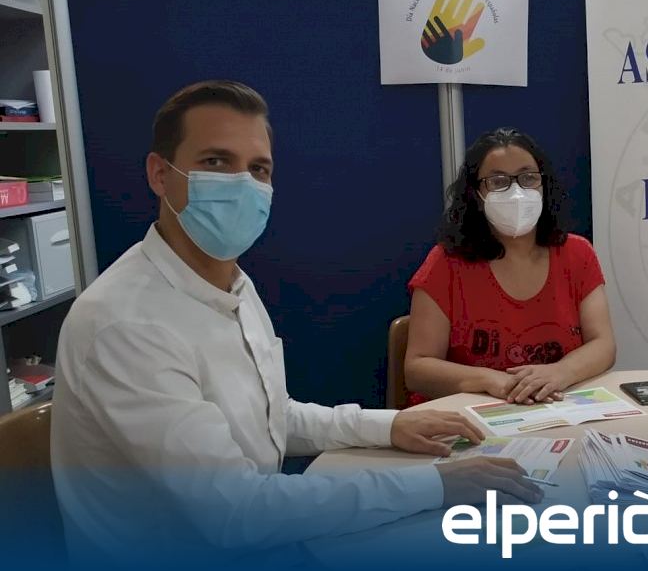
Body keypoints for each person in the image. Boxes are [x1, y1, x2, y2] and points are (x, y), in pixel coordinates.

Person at [50, 81, 542, 566]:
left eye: (257, 169)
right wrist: (433, 485)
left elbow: (271, 417)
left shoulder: (231, 285)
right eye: (216, 162)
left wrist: (388, 425)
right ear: (160, 174)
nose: (242, 184)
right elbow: (235, 512)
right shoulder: (127, 325)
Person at [405, 128, 616, 407]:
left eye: (528, 178)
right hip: (468, 413)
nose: (516, 192)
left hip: (553, 407)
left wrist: (560, 372)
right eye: (498, 181)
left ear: (544, 185)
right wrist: (493, 381)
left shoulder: (578, 254)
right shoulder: (446, 263)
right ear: (476, 194)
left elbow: (603, 344)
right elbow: (417, 369)